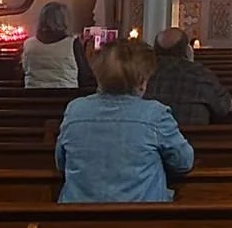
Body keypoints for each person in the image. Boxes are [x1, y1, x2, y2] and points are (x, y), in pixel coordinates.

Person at [55, 40, 194, 203]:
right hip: (139, 220)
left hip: (77, 217)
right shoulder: (155, 115)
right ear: (142, 82)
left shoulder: (75, 110)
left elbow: (61, 162)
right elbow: (183, 161)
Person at [146, 28, 232, 127]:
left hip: (148, 139)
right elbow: (225, 107)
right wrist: (191, 64)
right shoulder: (200, 74)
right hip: (193, 140)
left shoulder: (143, 73)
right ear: (188, 50)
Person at [21, 2, 87, 89]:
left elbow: (23, 73)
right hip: (66, 97)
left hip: (34, 97)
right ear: (64, 20)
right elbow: (83, 76)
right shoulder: (72, 44)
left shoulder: (28, 44)